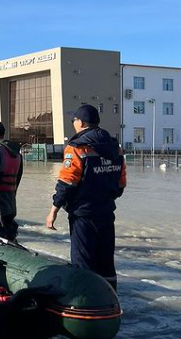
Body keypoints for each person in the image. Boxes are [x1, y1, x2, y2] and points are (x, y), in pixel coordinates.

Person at [45, 104, 126, 292]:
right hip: (106, 213)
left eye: (74, 120)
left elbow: (67, 182)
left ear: (81, 122)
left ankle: (85, 304)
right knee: (106, 263)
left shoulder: (76, 147)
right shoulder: (115, 147)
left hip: (83, 215)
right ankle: (110, 303)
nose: (73, 123)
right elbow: (121, 183)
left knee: (83, 263)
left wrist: (53, 210)